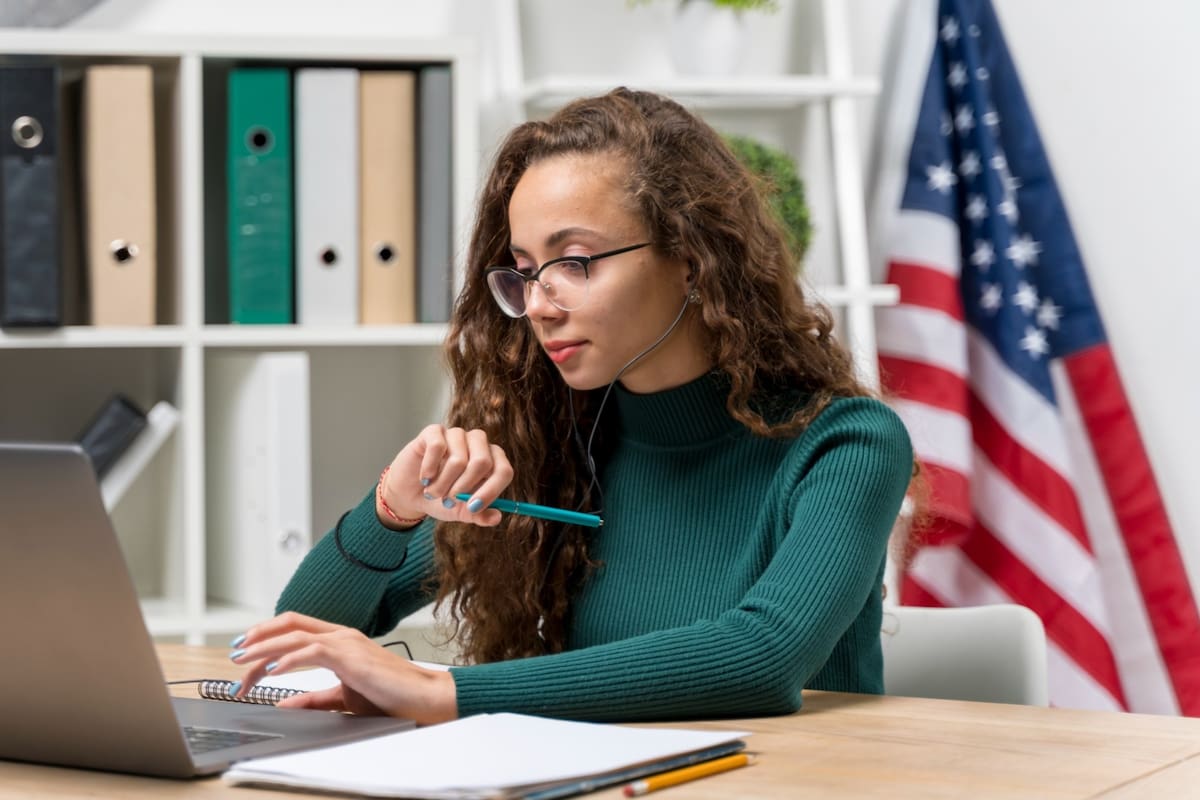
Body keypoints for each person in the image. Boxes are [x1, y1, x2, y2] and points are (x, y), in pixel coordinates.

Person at [229, 87, 914, 725]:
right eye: (524, 271)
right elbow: (300, 631)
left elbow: (763, 657)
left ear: (694, 258)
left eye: (575, 261)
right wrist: (391, 509)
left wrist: (443, 691)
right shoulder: (550, 450)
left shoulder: (846, 444)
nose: (537, 304)